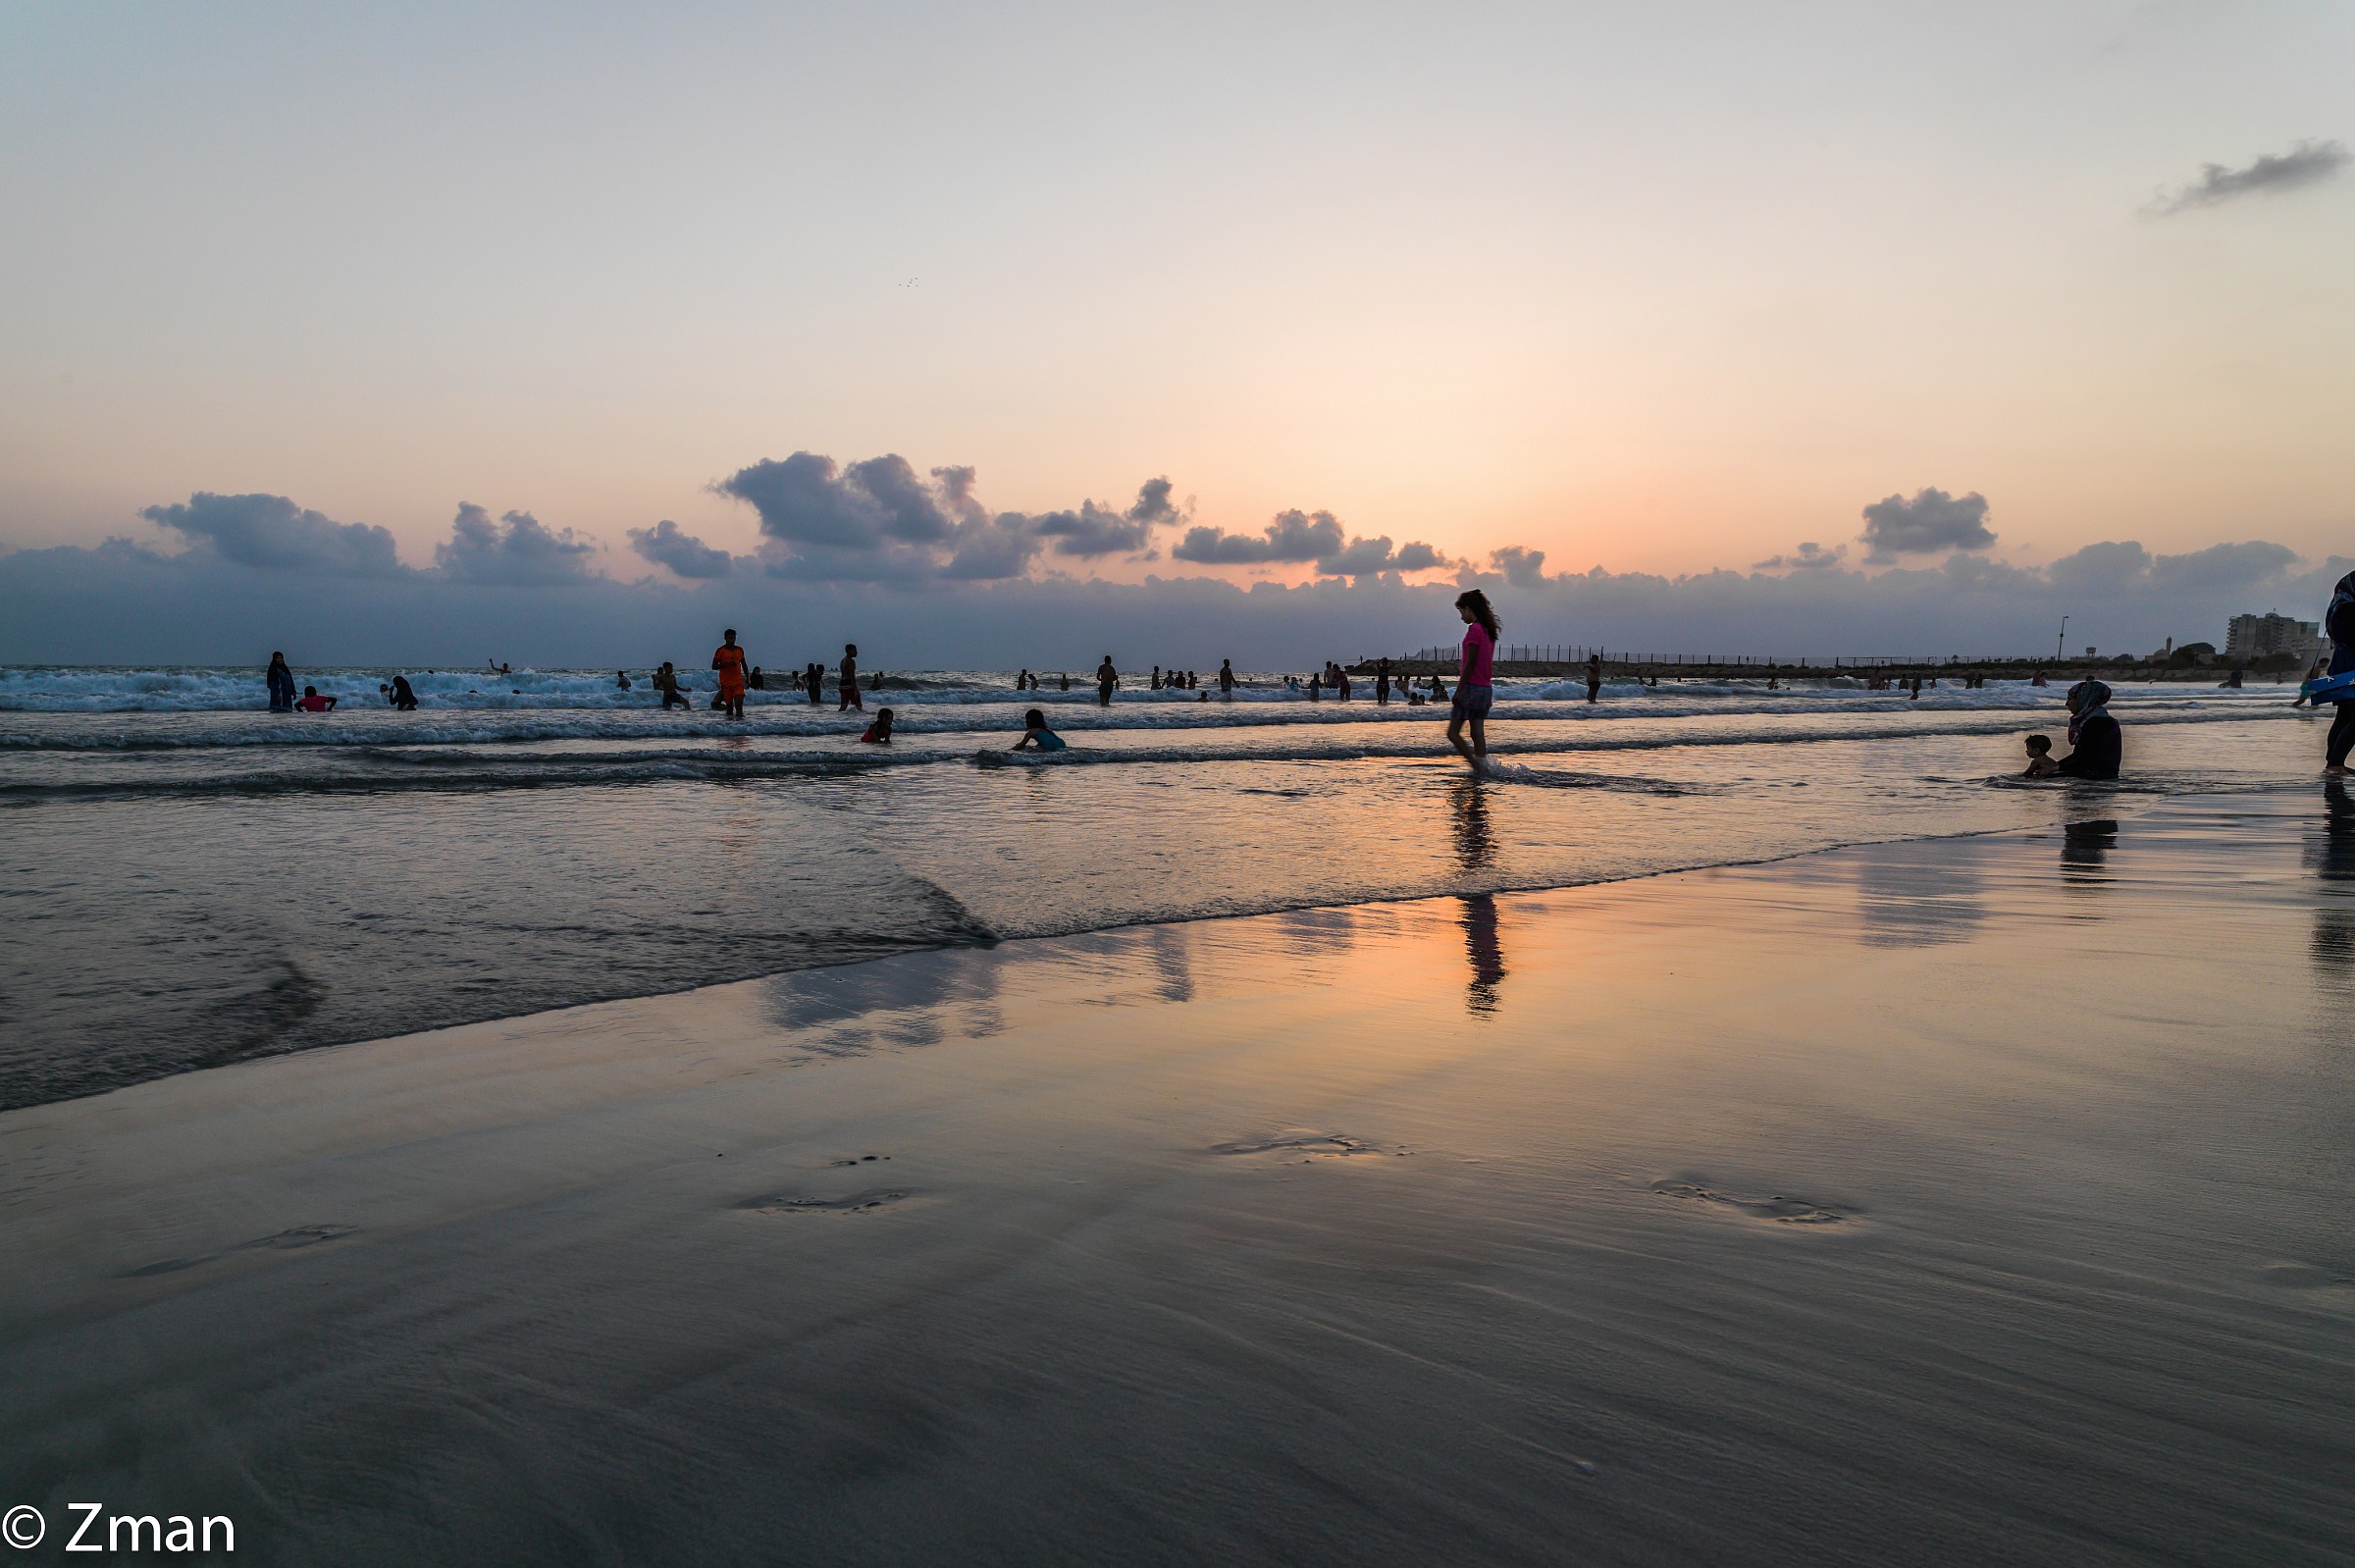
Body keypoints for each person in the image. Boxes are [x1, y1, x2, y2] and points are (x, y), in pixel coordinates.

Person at [1449, 590, 1498, 767]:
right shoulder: (1488, 631)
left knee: (1453, 734)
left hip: (1471, 687)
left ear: (1469, 609)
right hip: (1485, 688)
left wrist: (1459, 690)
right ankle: (1483, 765)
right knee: (1477, 732)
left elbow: (1470, 664)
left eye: (1462, 612)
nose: (1461, 616)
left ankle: (1475, 765)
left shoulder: (1475, 630)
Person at [2055, 680, 2120, 779]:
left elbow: (2085, 759)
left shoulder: (2096, 722)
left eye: (2070, 699)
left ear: (2084, 699)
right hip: (2100, 773)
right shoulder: (2097, 720)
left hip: (2097, 775)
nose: (2067, 704)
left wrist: (2056, 768)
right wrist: (2055, 765)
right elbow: (2080, 756)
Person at [2325, 571, 2355, 774]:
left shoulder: (2341, 603)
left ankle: (2333, 765)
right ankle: (2335, 765)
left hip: (2343, 660)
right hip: (2352, 662)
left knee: (2344, 715)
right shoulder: (2350, 610)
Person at [711, 629, 749, 720]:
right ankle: (730, 729)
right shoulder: (720, 650)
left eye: (734, 638)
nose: (732, 640)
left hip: (737, 681)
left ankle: (741, 727)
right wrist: (726, 664)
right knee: (730, 709)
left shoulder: (739, 650)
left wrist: (748, 677)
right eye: (730, 638)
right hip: (726, 682)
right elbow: (714, 666)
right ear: (725, 638)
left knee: (739, 704)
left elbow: (744, 664)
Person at [838, 644, 862, 711]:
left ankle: (837, 719)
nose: (856, 652)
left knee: (843, 706)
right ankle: (861, 720)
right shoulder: (851, 661)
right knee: (858, 705)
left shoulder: (843, 660)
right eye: (854, 650)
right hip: (849, 684)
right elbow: (852, 675)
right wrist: (855, 689)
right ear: (849, 651)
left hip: (842, 685)